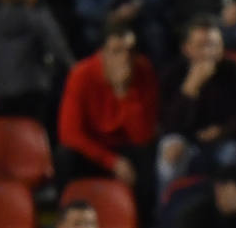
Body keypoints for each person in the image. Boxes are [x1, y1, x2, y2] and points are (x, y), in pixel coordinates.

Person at [157, 15, 236, 216]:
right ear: (186, 48)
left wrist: (222, 130)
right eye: (201, 45)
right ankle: (164, 214)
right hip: (188, 140)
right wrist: (190, 89)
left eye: (214, 45)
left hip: (229, 137)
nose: (208, 51)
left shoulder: (233, 71)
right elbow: (169, 124)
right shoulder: (172, 74)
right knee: (169, 152)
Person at [58, 19, 160, 190]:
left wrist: (124, 92)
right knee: (65, 155)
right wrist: (112, 162)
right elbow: (69, 134)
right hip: (93, 149)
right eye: (117, 52)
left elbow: (143, 136)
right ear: (102, 53)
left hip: (126, 146)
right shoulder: (81, 74)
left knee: (146, 154)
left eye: (130, 51)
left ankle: (143, 216)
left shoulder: (143, 69)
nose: (125, 58)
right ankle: (68, 211)